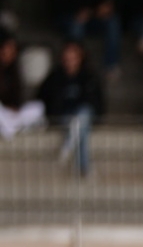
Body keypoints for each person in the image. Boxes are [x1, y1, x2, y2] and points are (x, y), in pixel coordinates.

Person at [37, 41, 103, 177]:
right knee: (80, 128)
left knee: (82, 116)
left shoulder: (89, 76)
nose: (70, 61)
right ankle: (85, 168)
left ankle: (68, 145)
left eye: (73, 57)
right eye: (67, 58)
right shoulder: (55, 77)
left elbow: (96, 101)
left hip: (83, 114)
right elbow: (43, 98)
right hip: (64, 115)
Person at [0, 34, 45, 140]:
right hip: (2, 112)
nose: (9, 53)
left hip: (12, 114)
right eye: (6, 49)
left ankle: (11, 127)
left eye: (12, 50)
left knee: (38, 107)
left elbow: (18, 95)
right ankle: (11, 128)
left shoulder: (15, 71)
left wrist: (15, 106)